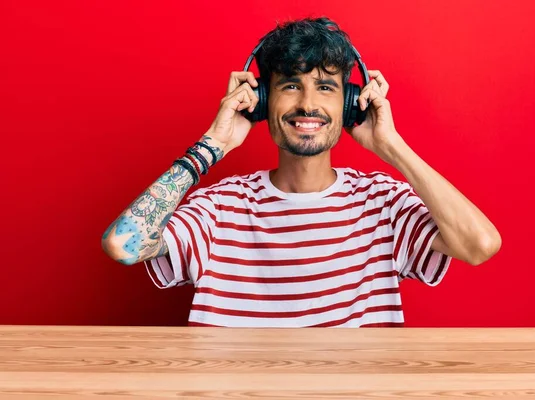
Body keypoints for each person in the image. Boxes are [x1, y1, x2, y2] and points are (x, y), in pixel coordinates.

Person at [101, 17, 501, 327]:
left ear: (349, 104)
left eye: (326, 87)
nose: (308, 104)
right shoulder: (220, 207)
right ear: (259, 100)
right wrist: (213, 144)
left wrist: (390, 146)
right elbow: (125, 245)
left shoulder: (383, 203)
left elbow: (479, 244)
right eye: (290, 85)